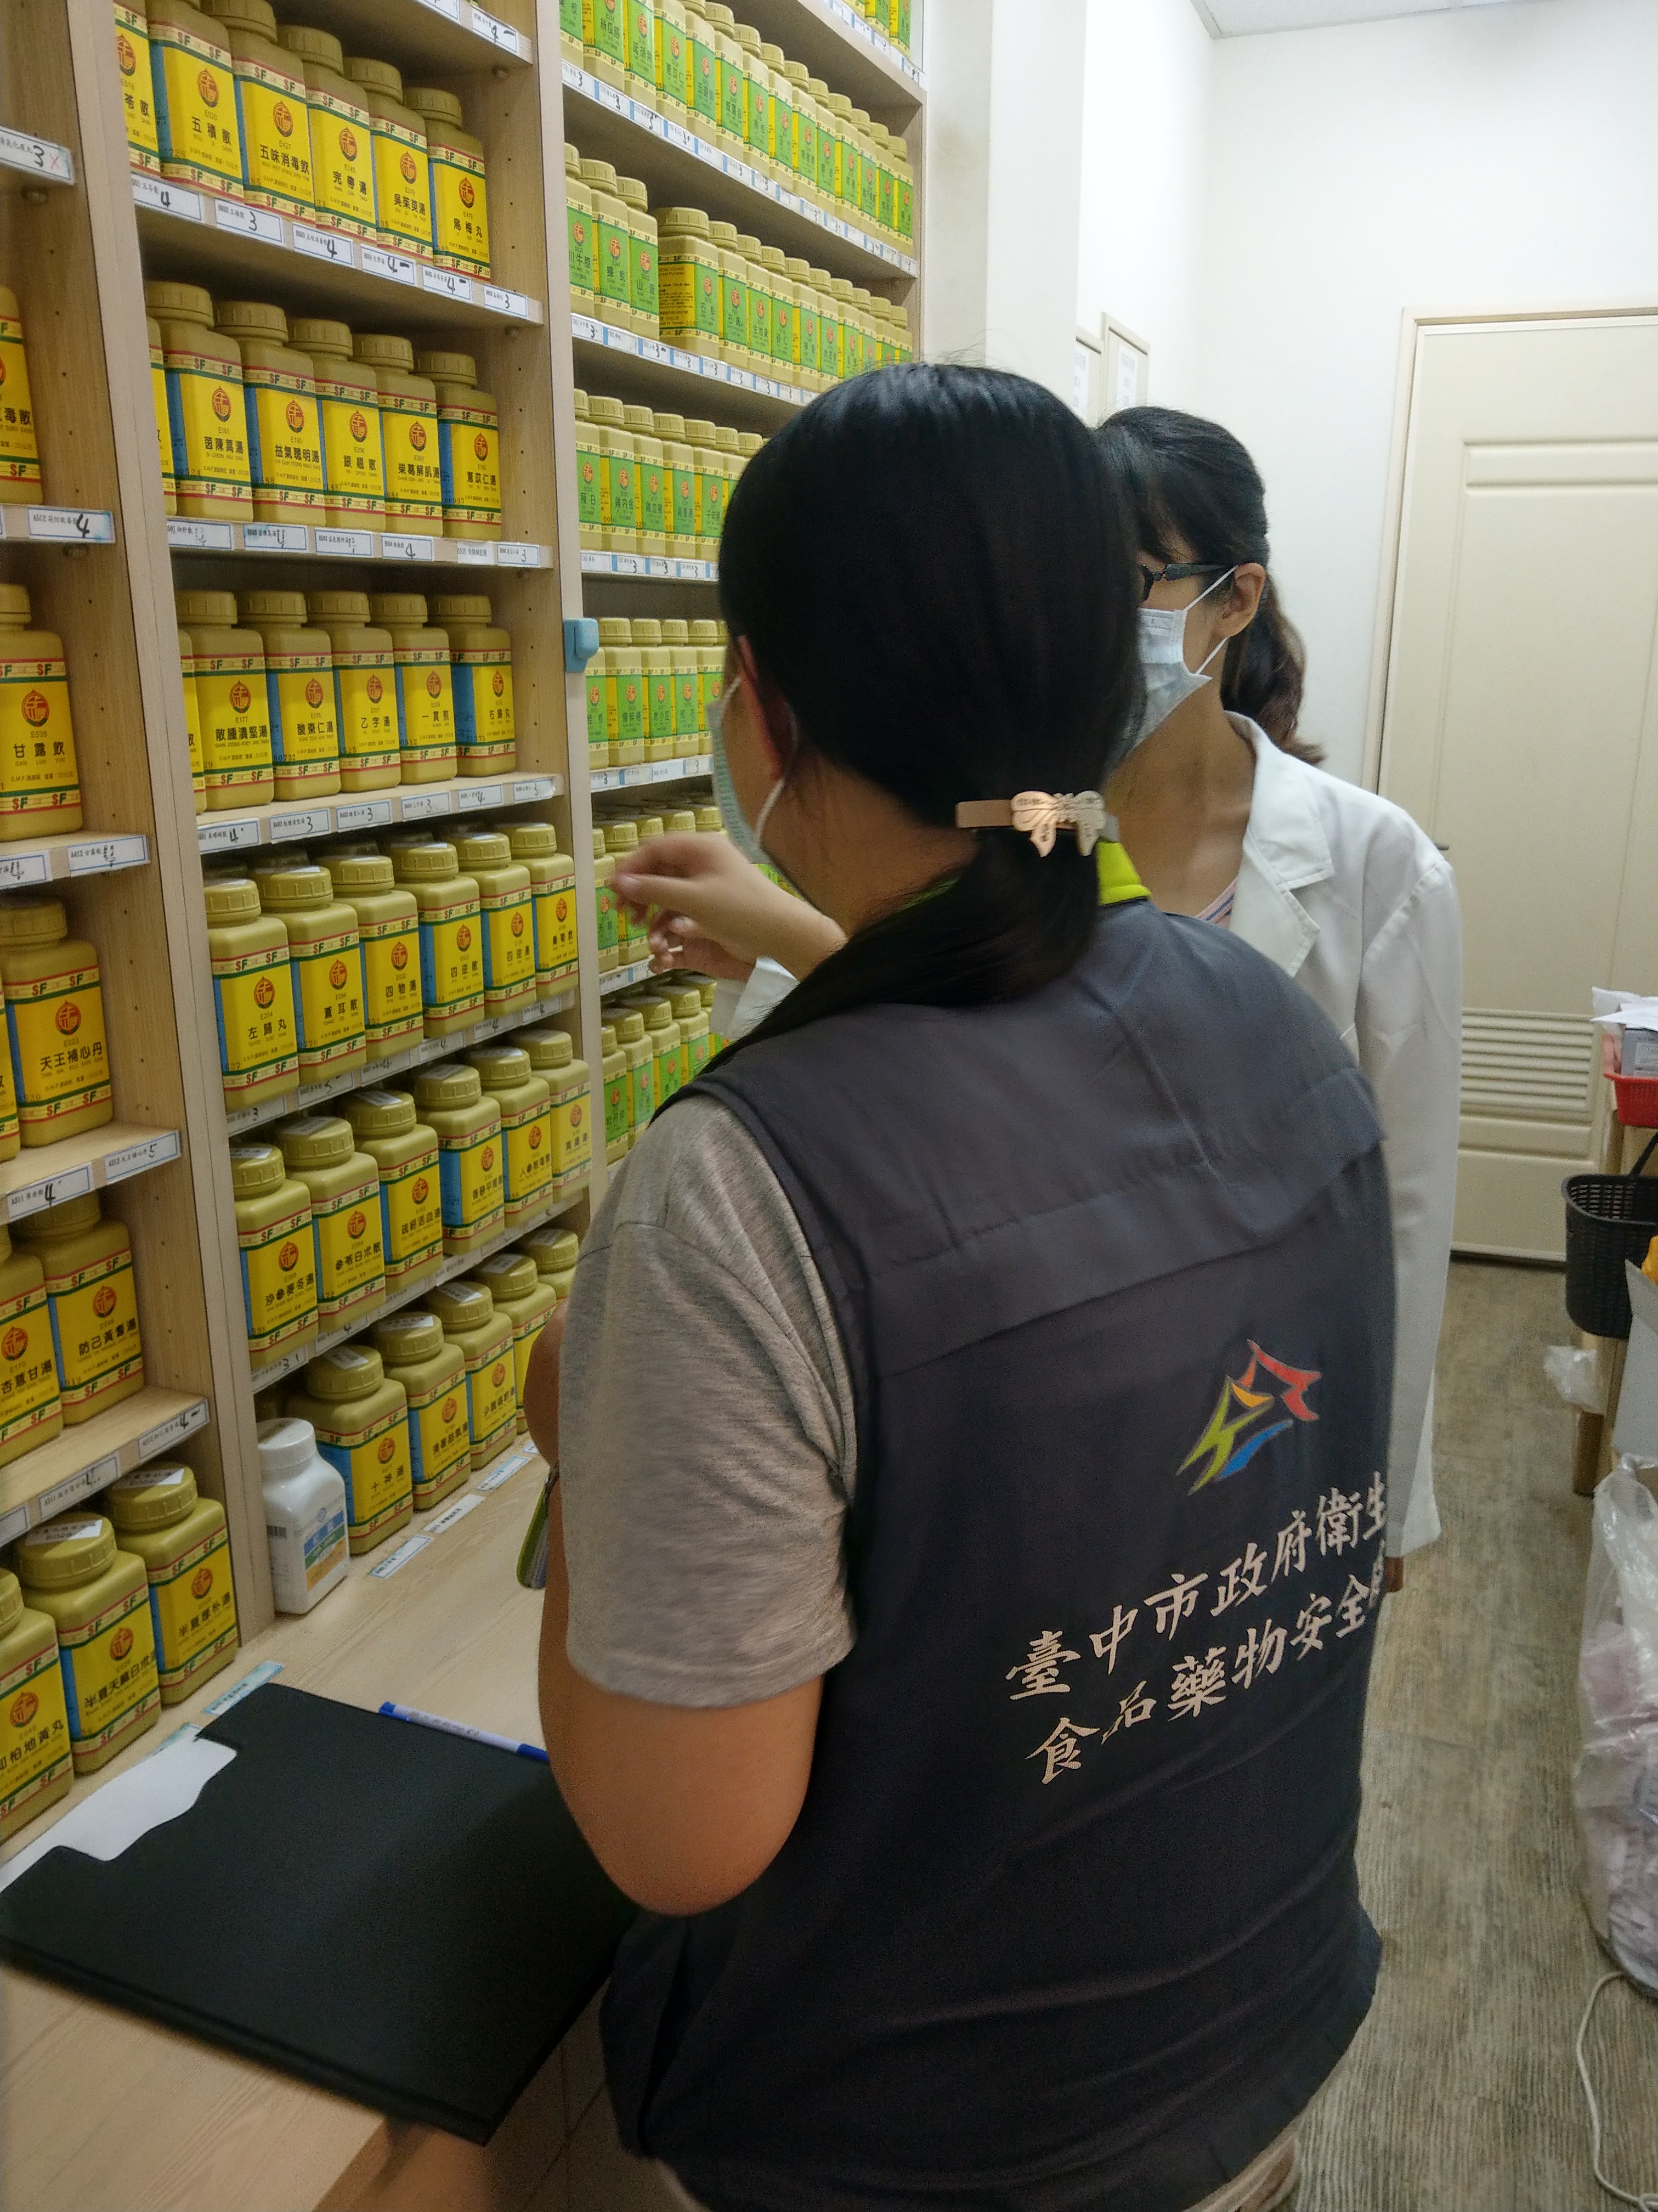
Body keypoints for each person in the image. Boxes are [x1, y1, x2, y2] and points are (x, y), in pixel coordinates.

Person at [530, 365, 1396, 2212]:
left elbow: (678, 1840)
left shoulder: (738, 1186)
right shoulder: (1264, 1019)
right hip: (1255, 2041)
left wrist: (594, 1455)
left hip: (926, 2149)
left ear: (760, 704)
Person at [616, 404, 1461, 1571]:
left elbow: (1402, 1209)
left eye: (1130, 584)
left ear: (1236, 601)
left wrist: (1382, 1495)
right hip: (1048, 1396)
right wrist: (797, 946)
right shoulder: (1018, 821)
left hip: (1261, 1403)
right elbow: (959, 1064)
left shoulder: (1376, 862)